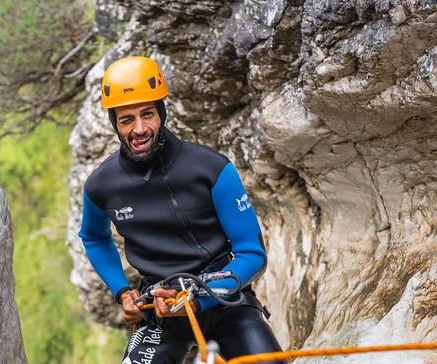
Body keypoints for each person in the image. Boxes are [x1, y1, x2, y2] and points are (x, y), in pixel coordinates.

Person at [78, 56, 285, 364]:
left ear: (161, 111)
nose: (139, 129)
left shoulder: (211, 169)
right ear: (114, 123)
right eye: (126, 119)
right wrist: (122, 292)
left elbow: (253, 255)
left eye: (147, 114)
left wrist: (198, 295)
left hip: (224, 301)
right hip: (159, 309)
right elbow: (94, 237)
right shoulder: (102, 185)